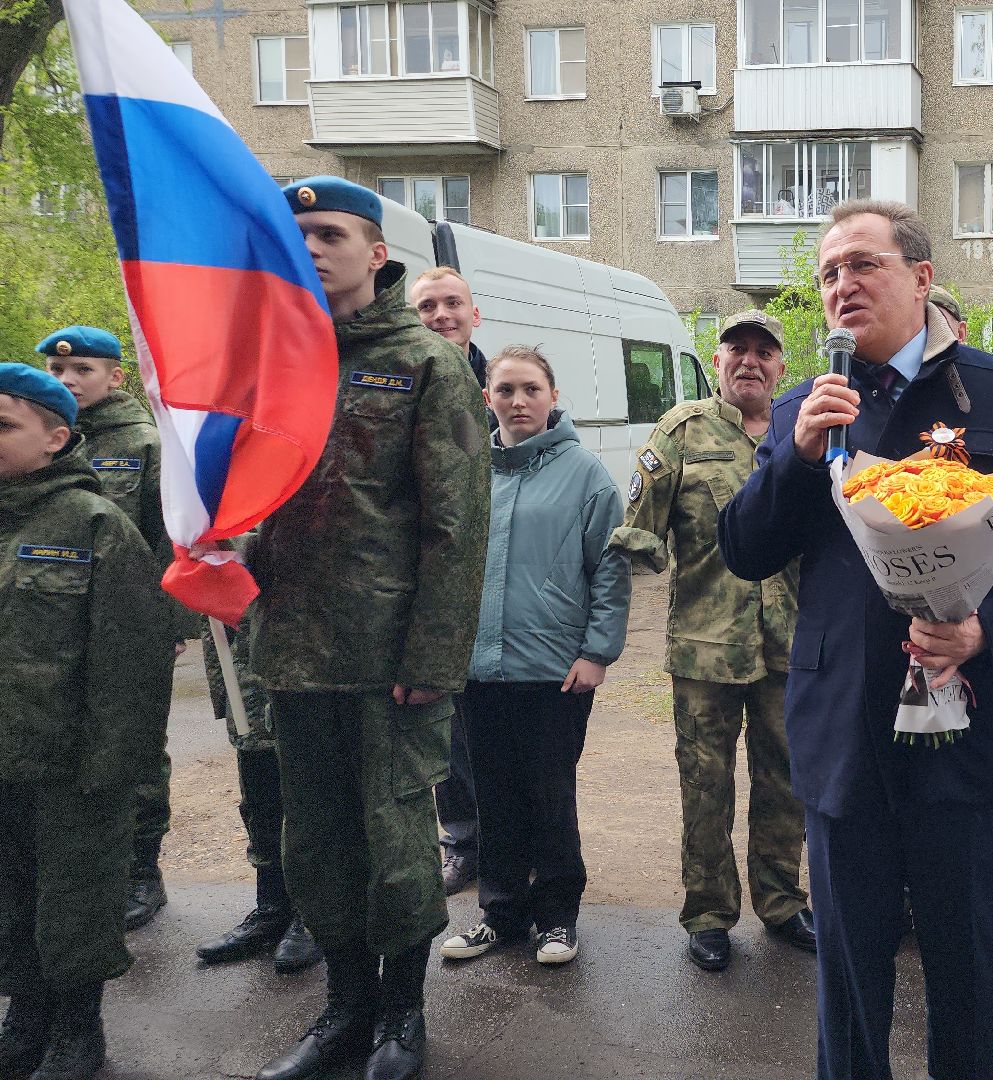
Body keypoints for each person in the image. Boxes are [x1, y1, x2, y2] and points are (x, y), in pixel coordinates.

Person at [716, 200, 993, 1080]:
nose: (842, 285)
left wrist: (990, 629)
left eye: (863, 264)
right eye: (829, 273)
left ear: (922, 277)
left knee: (964, 963)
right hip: (844, 724)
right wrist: (797, 457)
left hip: (970, 724)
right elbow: (743, 550)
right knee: (850, 973)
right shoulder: (804, 408)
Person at [249, 177, 490, 1080]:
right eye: (297, 234)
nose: (311, 248)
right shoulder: (278, 360)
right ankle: (344, 1009)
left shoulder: (425, 363)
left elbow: (456, 526)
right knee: (315, 843)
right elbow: (256, 496)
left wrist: (434, 656)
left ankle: (401, 1012)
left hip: (386, 655)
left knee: (394, 848)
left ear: (376, 254)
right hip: (294, 650)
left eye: (330, 234)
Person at [614, 310, 814, 973]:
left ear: (781, 366)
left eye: (764, 351)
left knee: (785, 780)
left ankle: (781, 903)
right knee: (705, 786)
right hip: (706, 646)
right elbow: (638, 531)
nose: (749, 361)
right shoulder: (681, 431)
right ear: (718, 359)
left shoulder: (802, 430)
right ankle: (708, 914)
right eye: (737, 349)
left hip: (788, 643)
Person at [0, 364, 173, 1080]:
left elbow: (133, 664)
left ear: (55, 437)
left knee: (74, 901)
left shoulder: (96, 524)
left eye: (4, 425)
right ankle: (26, 1013)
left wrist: (114, 768)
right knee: (10, 898)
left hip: (71, 766)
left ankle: (78, 1025)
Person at [438, 345, 628, 969]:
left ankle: (556, 917)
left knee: (548, 795)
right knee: (492, 798)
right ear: (486, 397)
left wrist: (597, 652)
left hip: (555, 671)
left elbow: (609, 571)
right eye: (505, 390)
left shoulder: (586, 475)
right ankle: (501, 914)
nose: (518, 402)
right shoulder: (471, 470)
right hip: (480, 669)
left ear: (553, 397)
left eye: (531, 390)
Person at [38, 325, 183, 932]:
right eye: (57, 371)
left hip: (129, 622)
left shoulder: (145, 441)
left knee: (135, 744)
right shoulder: (45, 439)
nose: (68, 381)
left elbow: (169, 534)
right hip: (58, 621)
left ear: (116, 377)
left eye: (83, 371)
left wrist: (169, 624)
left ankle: (141, 873)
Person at [408, 266, 486, 895]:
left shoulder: (505, 385)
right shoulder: (403, 385)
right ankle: (461, 842)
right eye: (427, 306)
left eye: (452, 303)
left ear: (474, 314)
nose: (441, 315)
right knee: (446, 730)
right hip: (428, 588)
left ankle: (513, 842)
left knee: (501, 730)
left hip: (496, 586)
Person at [192, 605, 322, 975]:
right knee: (258, 788)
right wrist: (222, 688)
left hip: (301, 650)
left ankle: (315, 912)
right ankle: (272, 907)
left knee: (308, 786)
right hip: (243, 657)